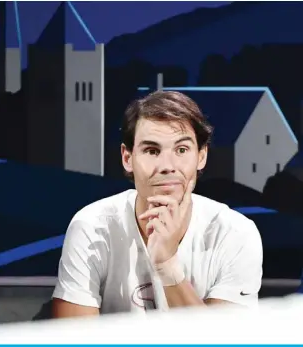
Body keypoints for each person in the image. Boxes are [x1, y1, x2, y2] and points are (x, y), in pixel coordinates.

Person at [52, 90, 263, 317]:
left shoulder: (236, 233)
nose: (167, 166)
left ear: (201, 156)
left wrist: (166, 265)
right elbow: (74, 338)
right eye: (152, 151)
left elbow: (225, 341)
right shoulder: (91, 226)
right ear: (127, 158)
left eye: (181, 150)